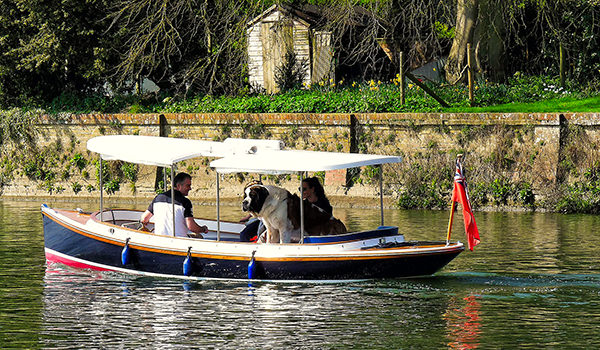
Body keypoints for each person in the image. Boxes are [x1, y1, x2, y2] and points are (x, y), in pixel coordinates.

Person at [140, 172, 208, 238]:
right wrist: (203, 229)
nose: (190, 188)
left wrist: (146, 223)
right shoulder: (185, 202)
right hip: (178, 241)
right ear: (178, 186)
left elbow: (144, 218)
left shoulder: (158, 198)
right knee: (199, 236)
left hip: (159, 240)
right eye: (188, 185)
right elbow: (191, 227)